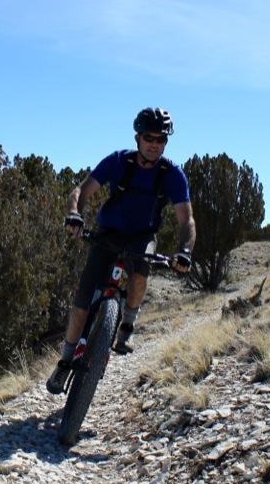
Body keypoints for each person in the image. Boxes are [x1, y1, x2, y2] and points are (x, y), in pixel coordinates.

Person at [47, 107, 196, 394]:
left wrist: (185, 251)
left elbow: (186, 219)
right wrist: (74, 214)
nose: (155, 144)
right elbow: (80, 191)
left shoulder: (172, 174)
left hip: (142, 236)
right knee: (81, 302)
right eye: (149, 137)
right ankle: (65, 362)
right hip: (108, 233)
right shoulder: (118, 161)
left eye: (161, 139)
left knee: (140, 272)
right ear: (138, 137)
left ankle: (126, 324)